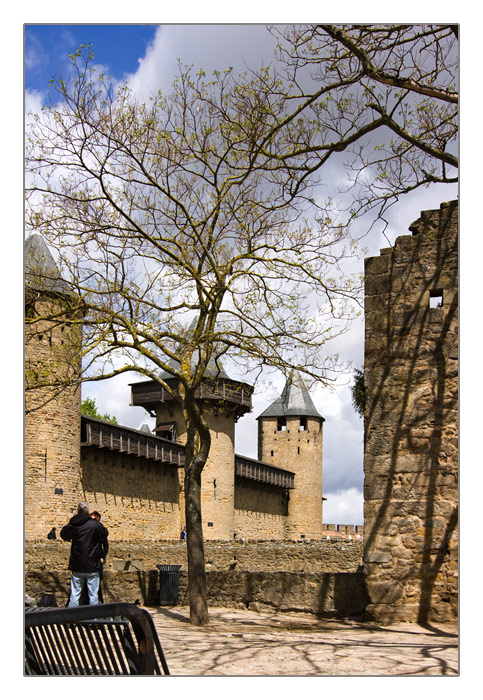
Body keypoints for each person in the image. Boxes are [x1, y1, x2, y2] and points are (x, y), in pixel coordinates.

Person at [60, 502, 109, 607]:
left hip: (77, 565)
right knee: (93, 595)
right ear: (88, 511)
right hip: (92, 565)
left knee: (75, 595)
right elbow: (104, 534)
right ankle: (93, 620)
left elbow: (64, 535)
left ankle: (72, 619)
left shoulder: (74, 524)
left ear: (78, 511)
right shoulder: (95, 524)